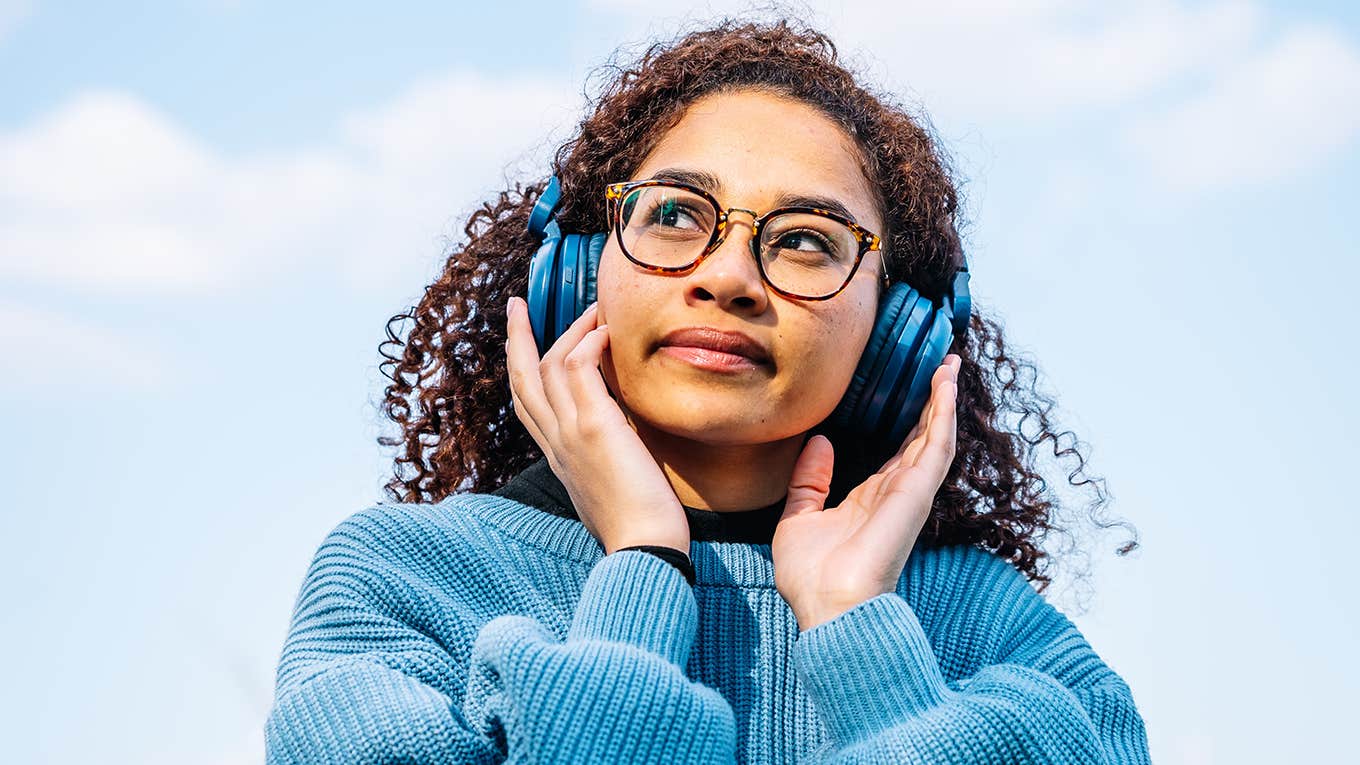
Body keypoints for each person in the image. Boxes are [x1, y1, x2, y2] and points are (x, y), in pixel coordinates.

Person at [265, 17, 1149, 764]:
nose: (729, 278)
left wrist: (862, 633)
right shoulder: (398, 580)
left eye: (807, 239)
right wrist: (644, 561)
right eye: (675, 214)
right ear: (576, 271)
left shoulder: (996, 632)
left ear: (894, 331)